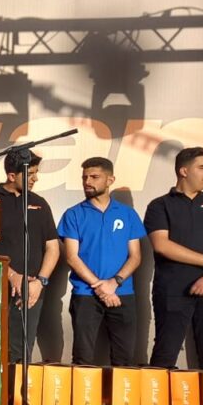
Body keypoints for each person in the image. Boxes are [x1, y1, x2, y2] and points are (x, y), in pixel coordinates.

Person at [145, 146, 203, 370]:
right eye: (202, 167)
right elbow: (162, 245)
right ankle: (158, 396)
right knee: (164, 356)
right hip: (172, 291)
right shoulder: (159, 205)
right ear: (184, 171)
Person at [58, 157, 145, 366]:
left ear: (110, 180)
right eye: (84, 177)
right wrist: (101, 287)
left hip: (122, 293)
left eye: (94, 177)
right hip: (85, 294)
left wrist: (114, 283)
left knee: (124, 359)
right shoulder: (73, 214)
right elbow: (72, 257)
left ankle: (118, 391)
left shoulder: (127, 214)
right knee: (83, 358)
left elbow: (135, 256)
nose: (87, 182)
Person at [0, 150, 59, 360]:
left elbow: (53, 247)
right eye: (30, 174)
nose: (36, 178)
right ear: (11, 176)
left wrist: (40, 282)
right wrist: (11, 275)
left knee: (21, 353)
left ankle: (18, 384)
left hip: (31, 291)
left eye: (36, 173)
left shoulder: (40, 203)